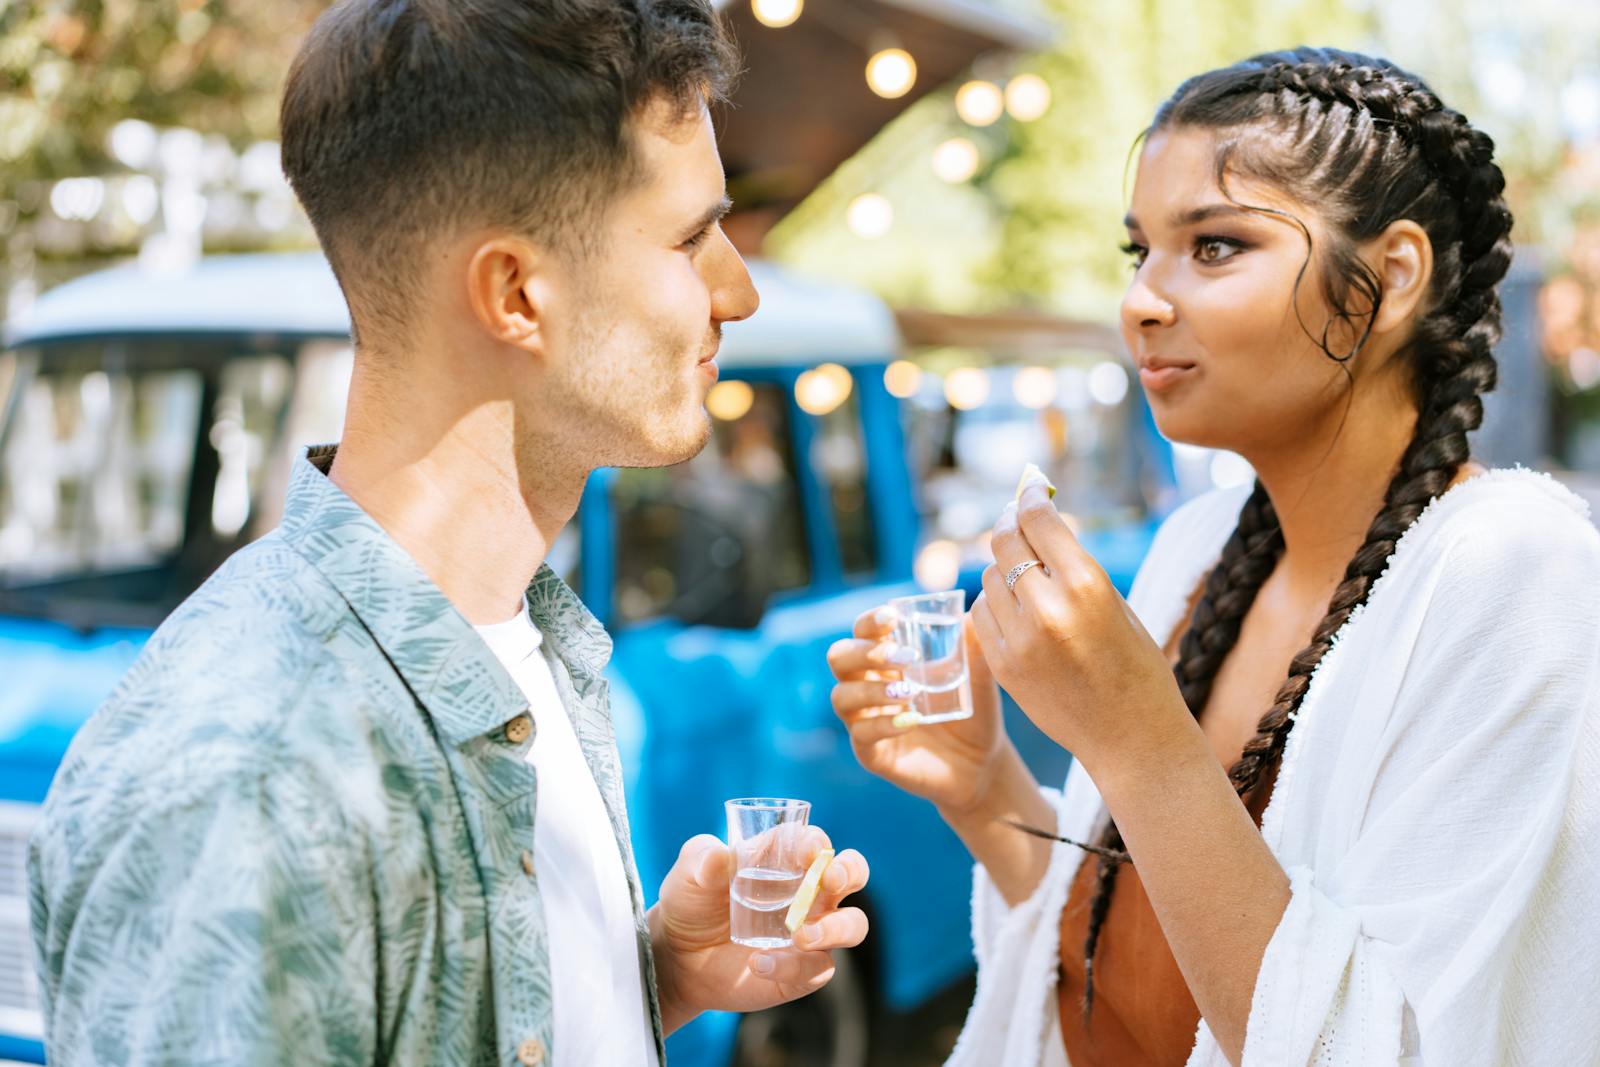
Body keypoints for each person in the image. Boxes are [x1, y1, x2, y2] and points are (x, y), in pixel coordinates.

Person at [28, 1, 869, 1063]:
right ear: (516, 293)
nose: (735, 290)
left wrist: (645, 970)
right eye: (692, 236)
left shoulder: (519, 646)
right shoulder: (254, 777)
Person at [829, 47, 1599, 1067]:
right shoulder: (1198, 549)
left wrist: (1139, 736)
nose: (1143, 299)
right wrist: (985, 784)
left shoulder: (1513, 575)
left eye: (1216, 245)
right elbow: (1118, 972)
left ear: (1393, 277)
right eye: (1137, 250)